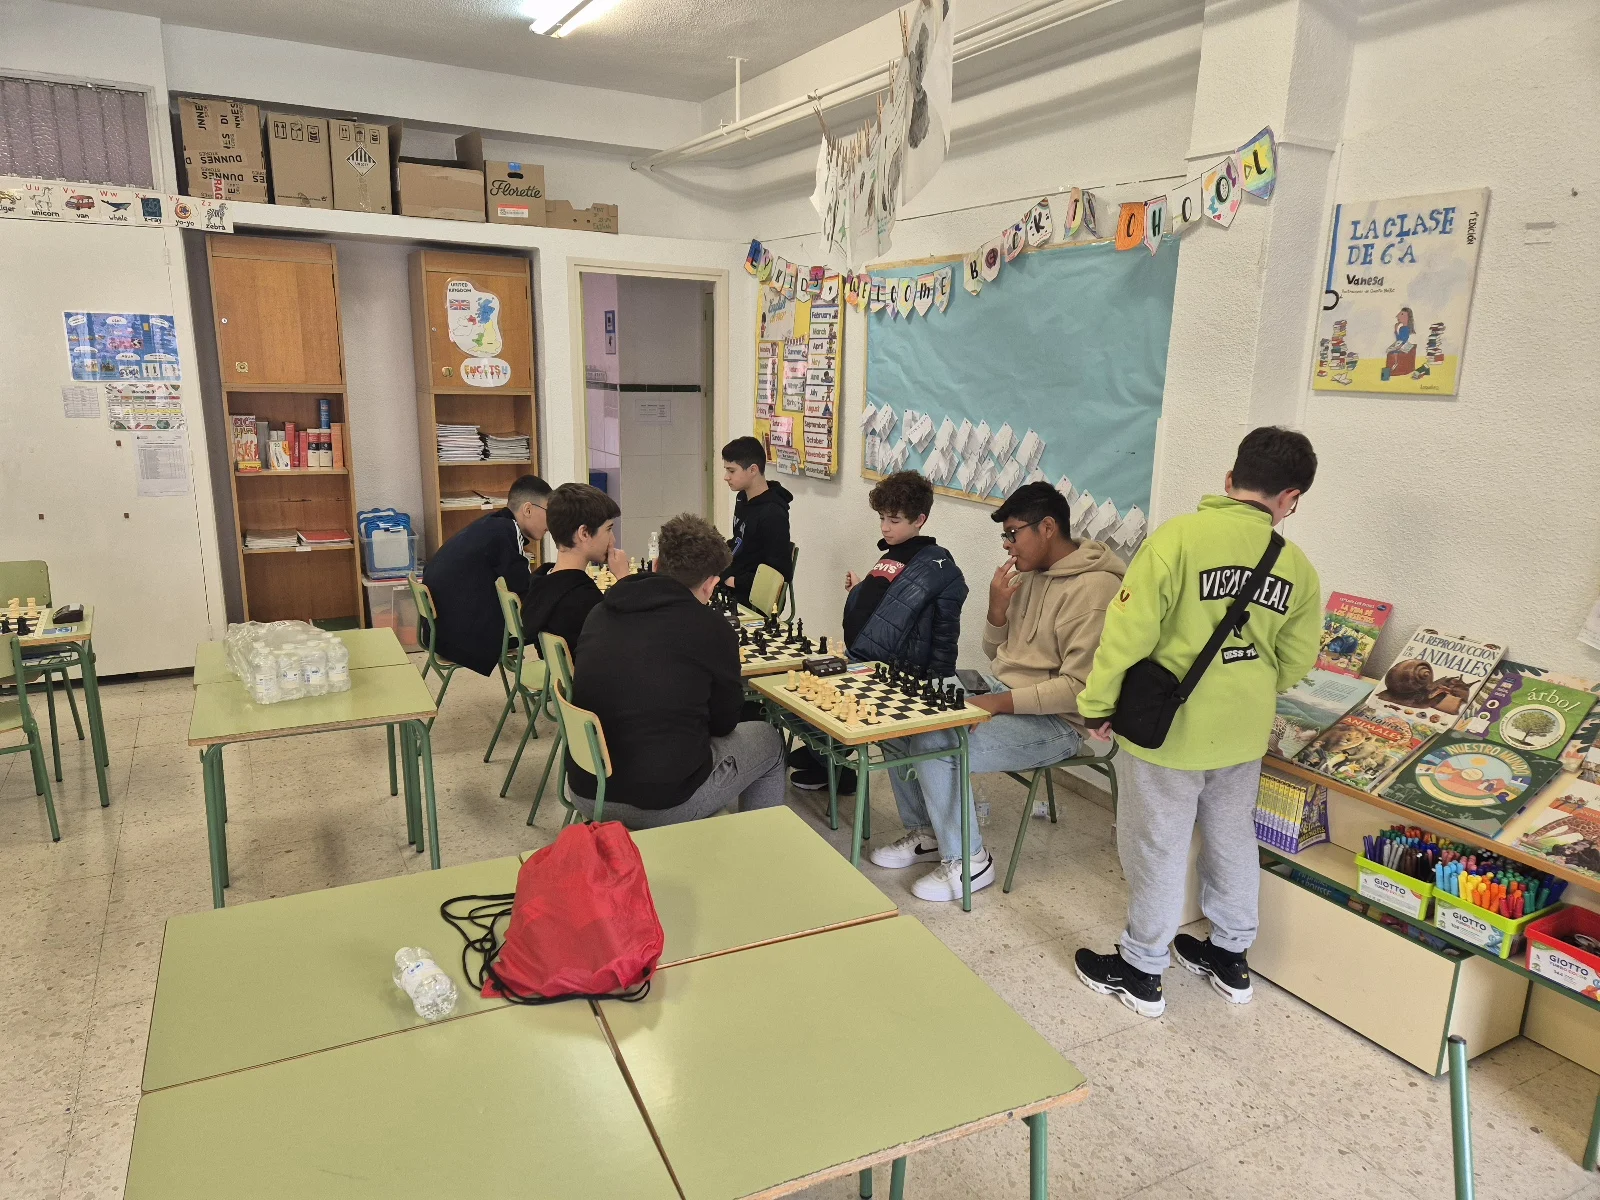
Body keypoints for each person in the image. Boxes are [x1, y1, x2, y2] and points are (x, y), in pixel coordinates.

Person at [1073, 426, 1322, 1018]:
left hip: (1169, 731)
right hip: (1243, 732)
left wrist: (1097, 703)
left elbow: (1126, 636)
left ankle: (1141, 969)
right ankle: (1230, 957)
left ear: (1230, 479)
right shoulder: (1296, 567)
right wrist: (1247, 687)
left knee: (1156, 845)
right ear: (1290, 498)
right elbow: (1297, 661)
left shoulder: (1177, 540)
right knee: (1233, 838)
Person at [869, 482, 1125, 902]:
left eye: (1012, 534)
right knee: (904, 712)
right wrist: (997, 609)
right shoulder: (1031, 573)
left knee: (938, 739)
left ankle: (971, 862)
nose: (1007, 545)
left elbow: (1078, 690)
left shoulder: (1095, 590)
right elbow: (999, 655)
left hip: (1058, 722)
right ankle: (928, 833)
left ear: (1047, 528)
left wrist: (995, 703)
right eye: (1005, 535)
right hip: (1006, 692)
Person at [567, 513, 786, 828]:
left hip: (587, 788)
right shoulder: (712, 628)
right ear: (710, 585)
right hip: (663, 803)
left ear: (655, 565)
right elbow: (725, 723)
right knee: (769, 740)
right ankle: (757, 847)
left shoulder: (599, 612)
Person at [789, 470, 967, 794]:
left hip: (890, 673)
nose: (885, 527)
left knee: (817, 701)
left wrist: (938, 687)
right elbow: (886, 605)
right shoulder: (893, 553)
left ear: (920, 520)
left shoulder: (939, 568)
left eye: (894, 520)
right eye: (882, 518)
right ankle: (826, 756)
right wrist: (859, 590)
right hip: (861, 658)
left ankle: (834, 764)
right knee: (796, 697)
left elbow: (944, 638)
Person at [421, 474, 549, 676]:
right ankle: (563, 682)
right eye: (549, 512)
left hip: (437, 632)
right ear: (528, 509)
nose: (551, 523)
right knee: (552, 618)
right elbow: (523, 591)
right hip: (460, 639)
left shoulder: (492, 524)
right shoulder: (508, 531)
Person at [521, 483, 628, 653]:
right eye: (608, 529)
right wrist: (624, 579)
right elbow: (627, 638)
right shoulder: (584, 600)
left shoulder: (541, 581)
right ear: (584, 533)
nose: (613, 540)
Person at [721, 436, 793, 607]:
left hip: (750, 595)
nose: (726, 477)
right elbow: (740, 543)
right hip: (733, 581)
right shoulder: (742, 498)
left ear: (753, 470)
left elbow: (778, 572)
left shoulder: (773, 514)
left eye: (731, 471)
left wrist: (733, 581)